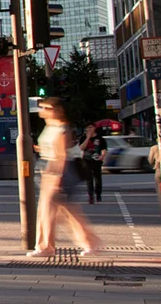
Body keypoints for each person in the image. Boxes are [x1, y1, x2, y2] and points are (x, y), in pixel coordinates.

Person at [33, 99, 100, 256]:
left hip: (59, 171)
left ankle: (47, 247)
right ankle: (88, 242)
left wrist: (56, 178)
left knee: (58, 211)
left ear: (56, 110)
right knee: (55, 210)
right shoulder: (49, 127)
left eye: (46, 107)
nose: (42, 110)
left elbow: (61, 155)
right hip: (47, 170)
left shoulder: (62, 129)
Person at [79, 123, 107, 204]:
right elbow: (81, 148)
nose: (89, 129)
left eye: (90, 127)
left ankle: (98, 194)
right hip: (86, 160)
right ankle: (90, 196)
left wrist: (102, 156)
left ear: (94, 128)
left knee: (97, 178)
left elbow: (104, 148)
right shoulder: (83, 137)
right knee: (89, 179)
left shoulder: (100, 138)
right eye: (87, 127)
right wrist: (87, 138)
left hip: (97, 160)